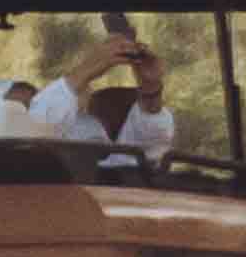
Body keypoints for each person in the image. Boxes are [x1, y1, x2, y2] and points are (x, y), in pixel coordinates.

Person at [26, 30, 178, 166]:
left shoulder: (113, 158)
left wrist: (150, 86)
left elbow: (150, 144)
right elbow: (33, 141)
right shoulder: (48, 129)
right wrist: (83, 72)